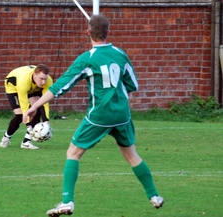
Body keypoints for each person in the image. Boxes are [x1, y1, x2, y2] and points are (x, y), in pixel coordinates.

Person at [23, 14, 164, 216]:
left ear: (88, 32)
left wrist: (34, 106)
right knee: (132, 156)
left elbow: (62, 86)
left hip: (100, 114)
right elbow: (133, 84)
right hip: (122, 114)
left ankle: (67, 202)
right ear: (108, 32)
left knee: (73, 153)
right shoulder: (120, 54)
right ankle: (154, 196)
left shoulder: (87, 59)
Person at [0, 64, 53, 150]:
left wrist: (46, 121)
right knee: (20, 116)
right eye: (41, 79)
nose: (43, 82)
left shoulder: (48, 81)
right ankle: (6, 137)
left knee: (37, 109)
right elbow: (24, 105)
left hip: (32, 87)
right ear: (34, 75)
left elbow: (45, 102)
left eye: (45, 79)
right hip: (14, 86)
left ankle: (26, 142)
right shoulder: (23, 81)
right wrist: (28, 125)